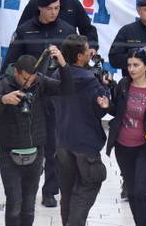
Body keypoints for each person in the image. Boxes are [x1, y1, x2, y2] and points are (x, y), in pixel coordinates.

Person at [1, 0, 79, 207]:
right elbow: (9, 64)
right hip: (30, 96)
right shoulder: (25, 31)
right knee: (33, 142)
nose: (54, 12)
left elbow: (74, 66)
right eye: (50, 9)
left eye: (57, 8)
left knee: (55, 145)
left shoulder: (67, 30)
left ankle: (50, 190)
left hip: (55, 95)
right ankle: (27, 186)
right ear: (40, 9)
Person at [0, 52, 74, 226]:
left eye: (32, 79)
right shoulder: (3, 84)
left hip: (35, 151)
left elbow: (67, 89)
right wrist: (3, 100)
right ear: (16, 72)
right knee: (14, 203)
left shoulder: (40, 82)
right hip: (8, 152)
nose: (28, 83)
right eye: (25, 79)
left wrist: (63, 64)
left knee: (29, 205)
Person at [53, 34, 112, 226]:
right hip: (85, 144)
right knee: (89, 185)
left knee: (68, 192)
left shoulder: (56, 77)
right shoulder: (89, 81)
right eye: (87, 50)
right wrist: (105, 88)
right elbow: (100, 111)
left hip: (62, 141)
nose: (90, 52)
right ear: (79, 56)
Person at [107, 48, 146, 226]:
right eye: (129, 65)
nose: (132, 69)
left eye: (136, 65)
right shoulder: (123, 85)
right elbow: (116, 111)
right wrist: (107, 105)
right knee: (132, 192)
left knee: (141, 191)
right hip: (123, 146)